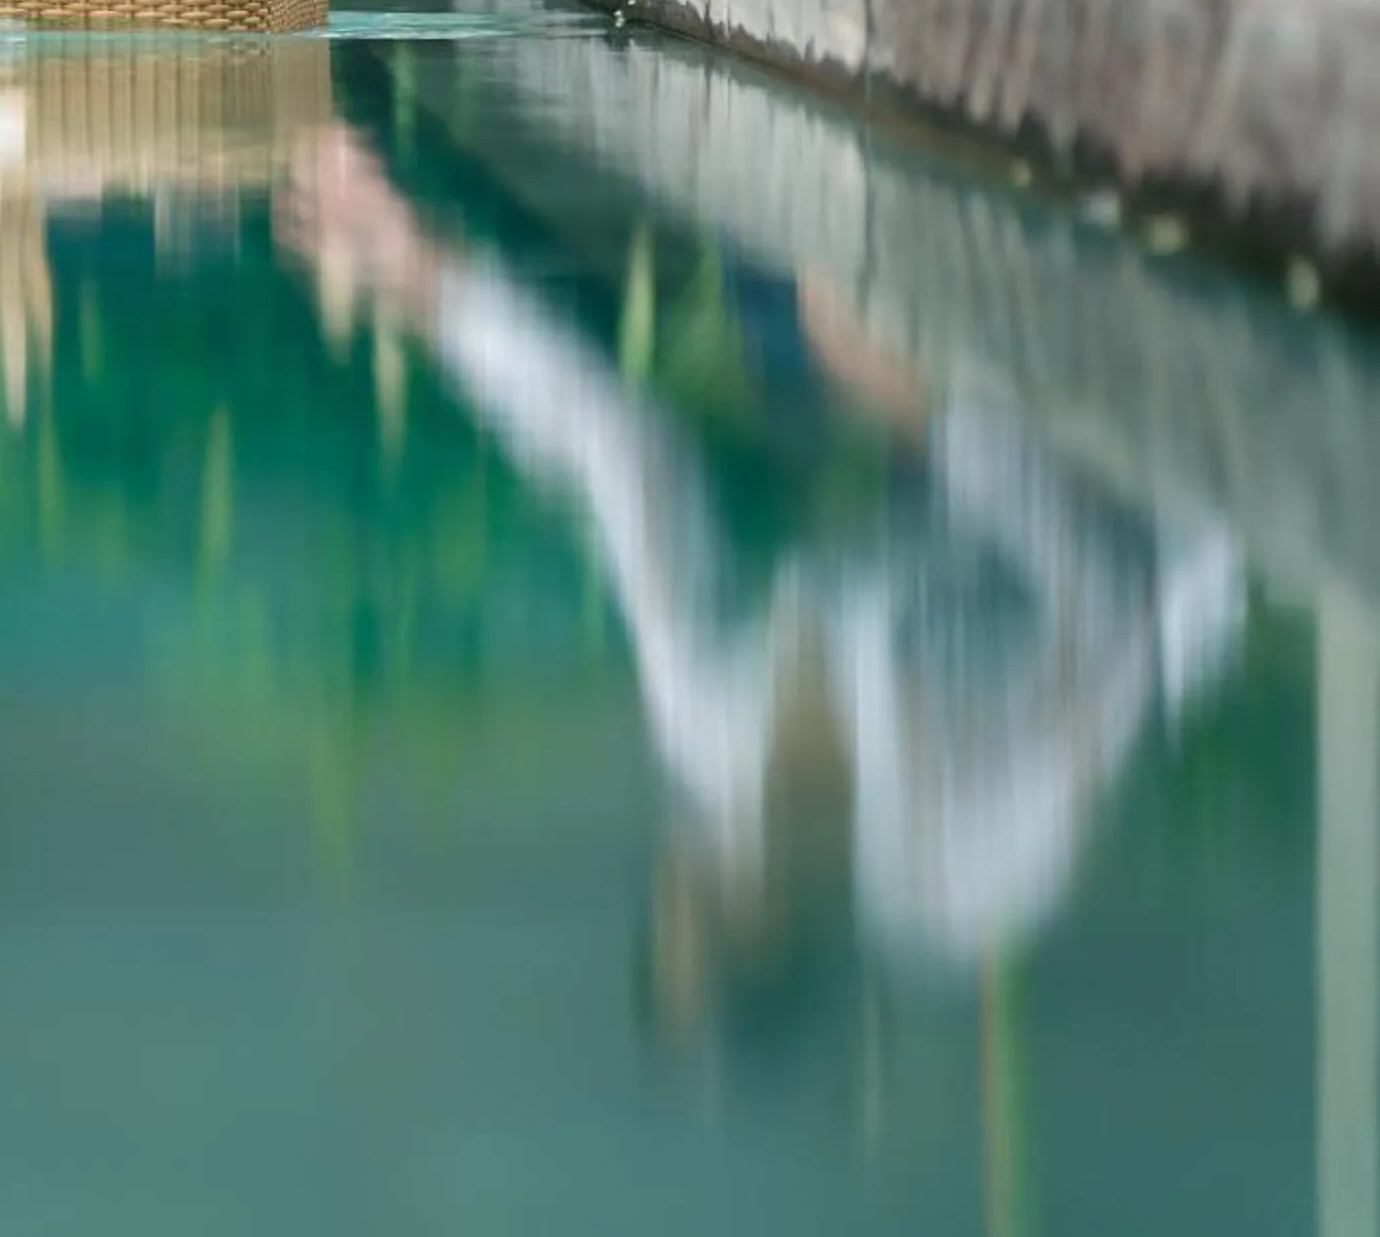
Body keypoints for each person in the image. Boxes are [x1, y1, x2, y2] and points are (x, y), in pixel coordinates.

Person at [272, 125, 1249, 1011]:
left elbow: (621, 457)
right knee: (878, 313)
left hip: (960, 464)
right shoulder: (971, 853)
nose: (688, 865)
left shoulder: (713, 730)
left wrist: (409, 262)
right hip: (1157, 491)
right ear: (782, 928)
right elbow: (1115, 609)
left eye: (681, 894)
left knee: (782, 267)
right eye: (708, 907)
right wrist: (938, 411)